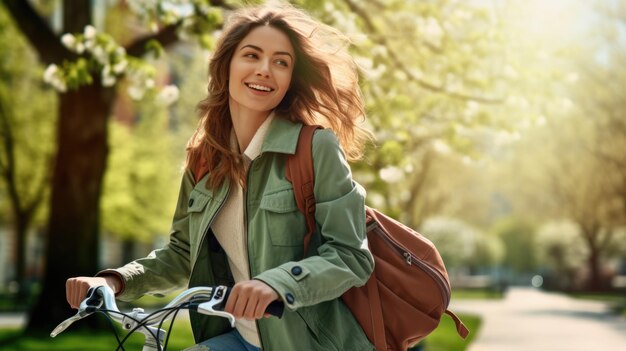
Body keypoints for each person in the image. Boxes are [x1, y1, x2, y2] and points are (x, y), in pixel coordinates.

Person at [66, 3, 375, 350]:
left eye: (281, 62)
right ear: (226, 64)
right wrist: (114, 281)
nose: (264, 70)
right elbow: (183, 254)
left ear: (291, 79)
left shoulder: (314, 147)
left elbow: (351, 255)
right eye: (252, 55)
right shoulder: (204, 159)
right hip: (239, 338)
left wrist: (278, 284)